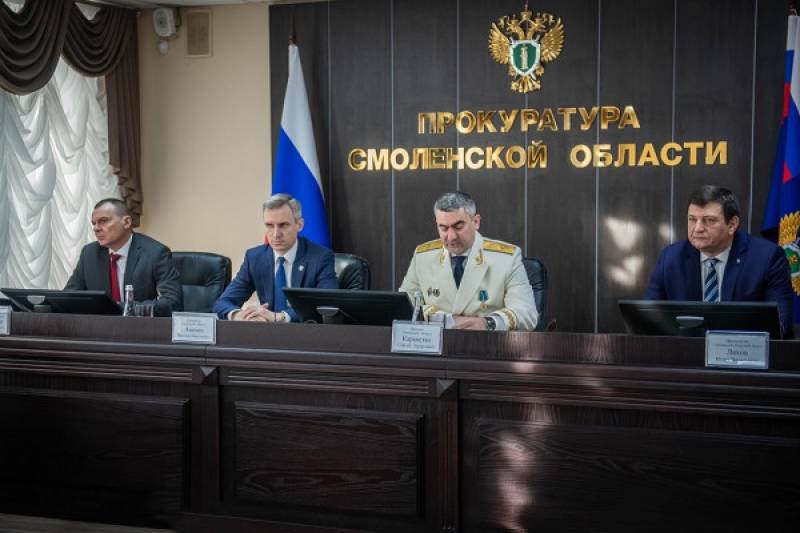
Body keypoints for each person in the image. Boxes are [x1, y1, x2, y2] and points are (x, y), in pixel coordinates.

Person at [645, 185, 794, 336]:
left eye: (709, 220)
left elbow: (781, 325)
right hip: (685, 348)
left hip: (741, 348)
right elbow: (648, 319)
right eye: (692, 219)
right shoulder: (671, 258)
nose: (698, 228)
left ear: (732, 225)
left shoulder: (767, 258)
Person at [400, 191, 538, 331]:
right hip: (435, 342)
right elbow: (403, 304)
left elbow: (527, 313)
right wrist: (438, 317)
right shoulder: (423, 256)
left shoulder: (507, 258)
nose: (451, 236)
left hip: (486, 342)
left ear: (476, 222)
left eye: (458, 227)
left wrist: (487, 323)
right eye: (444, 228)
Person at [213, 194, 338, 322]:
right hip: (266, 331)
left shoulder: (320, 257)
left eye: (283, 225)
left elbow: (327, 303)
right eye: (269, 225)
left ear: (299, 225)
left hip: (303, 331)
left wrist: (281, 317)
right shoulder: (255, 258)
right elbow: (223, 302)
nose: (275, 234)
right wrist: (239, 315)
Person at [65, 198, 182, 316]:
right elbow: (69, 297)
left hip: (140, 325)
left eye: (103, 221)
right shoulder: (89, 253)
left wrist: (122, 308)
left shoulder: (155, 253)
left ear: (126, 222)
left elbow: (172, 303)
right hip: (99, 326)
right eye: (94, 223)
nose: (96, 228)